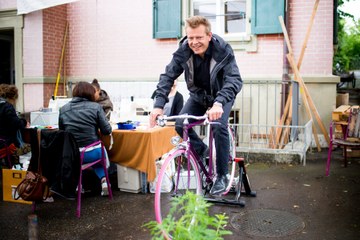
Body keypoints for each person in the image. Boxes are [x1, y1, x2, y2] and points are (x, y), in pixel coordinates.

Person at [150, 16, 242, 196]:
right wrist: (158, 105)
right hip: (199, 96)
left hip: (222, 96)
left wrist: (218, 103)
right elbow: (168, 77)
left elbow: (234, 80)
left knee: (218, 125)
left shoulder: (222, 50)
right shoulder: (183, 51)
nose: (194, 42)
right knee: (180, 124)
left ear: (209, 35)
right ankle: (204, 153)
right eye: (190, 38)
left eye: (199, 37)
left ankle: (222, 176)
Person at [59, 81, 112, 197]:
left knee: (82, 160)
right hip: (93, 152)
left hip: (73, 155)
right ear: (90, 93)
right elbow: (107, 131)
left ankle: (78, 184)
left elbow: (62, 134)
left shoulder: (63, 109)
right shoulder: (96, 107)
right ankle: (104, 180)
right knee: (100, 154)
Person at [0, 84, 30, 165]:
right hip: (6, 143)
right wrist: (24, 122)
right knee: (31, 148)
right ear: (13, 98)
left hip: (2, 141)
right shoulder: (7, 107)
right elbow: (16, 124)